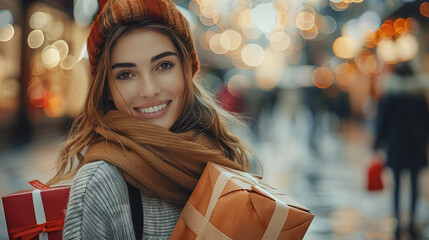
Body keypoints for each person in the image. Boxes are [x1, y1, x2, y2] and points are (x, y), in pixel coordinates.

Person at [46, 0, 253, 238]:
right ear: (107, 90)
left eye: (163, 65)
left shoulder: (221, 157)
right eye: (126, 74)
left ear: (186, 71)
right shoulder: (101, 183)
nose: (149, 90)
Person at [373, 61, 429, 240]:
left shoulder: (391, 94)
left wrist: (377, 143)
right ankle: (412, 218)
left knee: (396, 184)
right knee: (414, 184)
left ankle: (397, 219)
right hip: (416, 145)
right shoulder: (419, 94)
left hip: (396, 145)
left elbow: (382, 120)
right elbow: (427, 121)